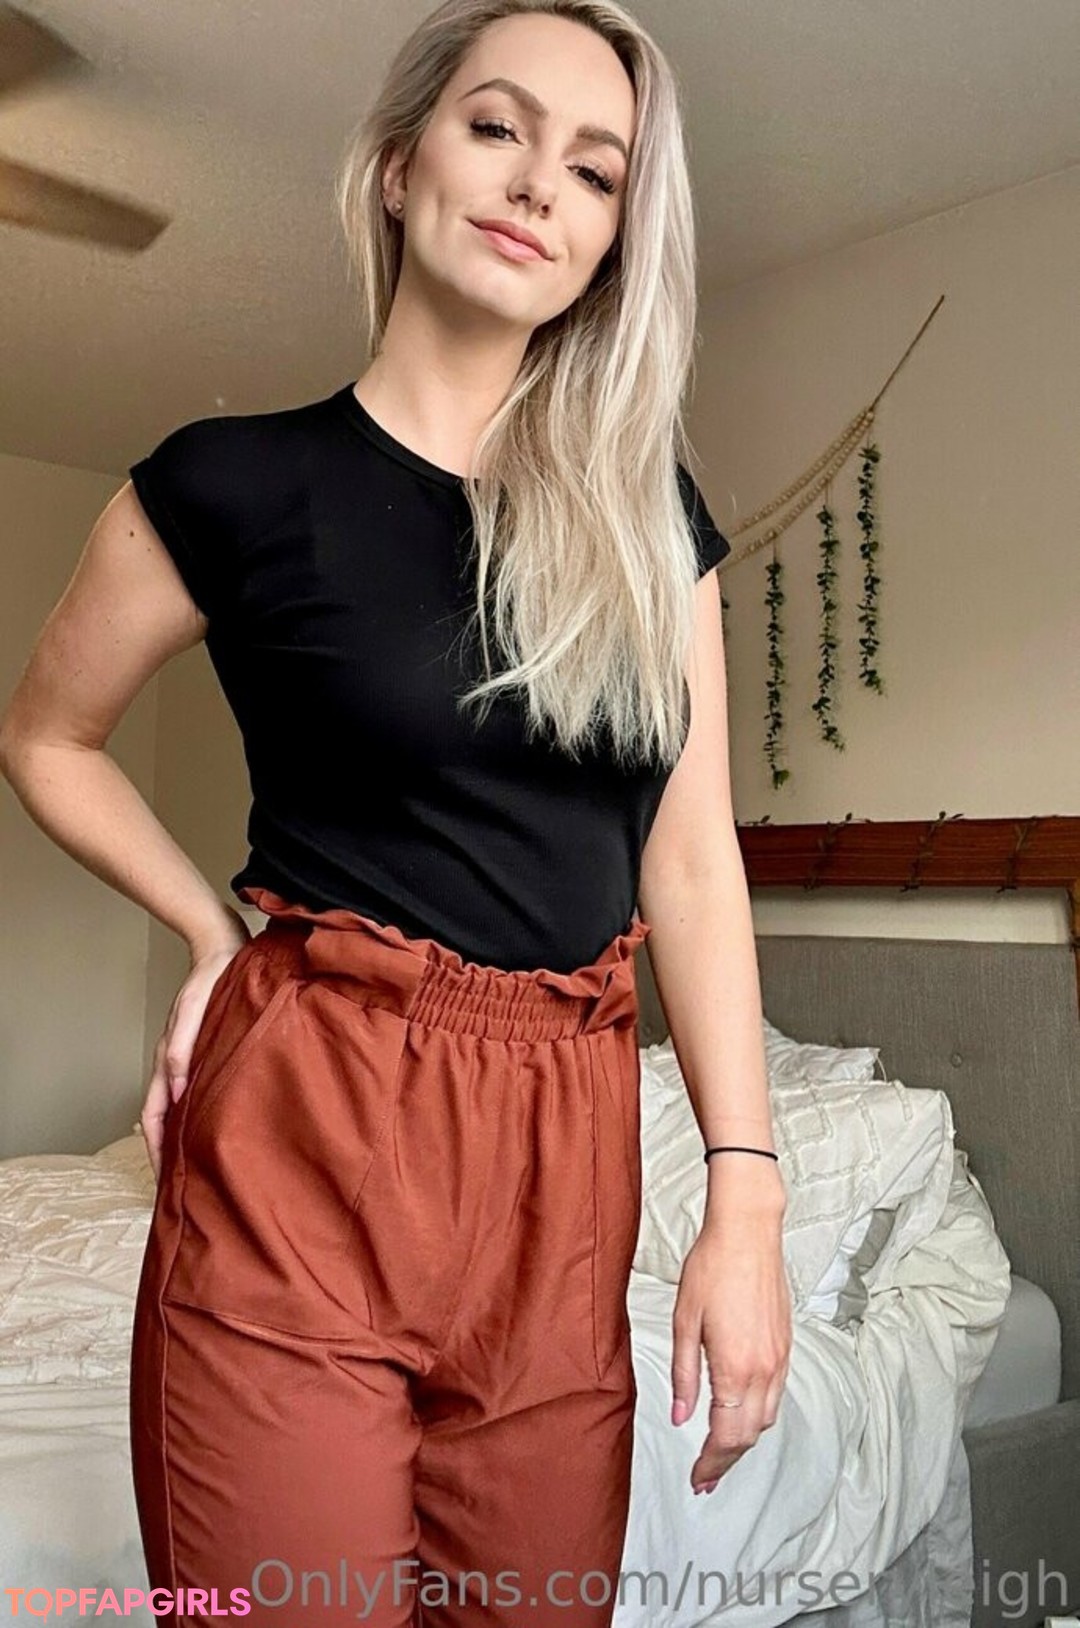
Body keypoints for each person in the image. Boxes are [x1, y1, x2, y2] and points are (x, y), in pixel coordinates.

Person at [0, 1, 791, 1623]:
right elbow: (48, 735)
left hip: (568, 1152)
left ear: (614, 243)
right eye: (497, 127)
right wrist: (213, 932)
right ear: (397, 163)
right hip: (309, 1122)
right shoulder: (229, 484)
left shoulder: (650, 526)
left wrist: (748, 1200)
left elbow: (693, 861)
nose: (538, 186)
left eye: (596, 171)